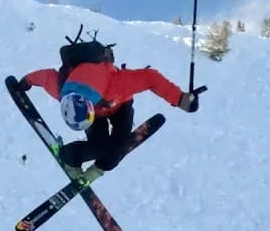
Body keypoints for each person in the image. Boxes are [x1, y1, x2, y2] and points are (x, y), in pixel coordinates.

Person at [15, 51, 199, 171]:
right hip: (98, 113)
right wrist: (27, 81)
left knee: (116, 148)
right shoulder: (61, 89)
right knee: (100, 146)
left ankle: (104, 164)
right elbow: (46, 77)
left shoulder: (118, 84)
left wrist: (180, 99)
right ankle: (70, 156)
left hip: (121, 105)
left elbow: (150, 78)